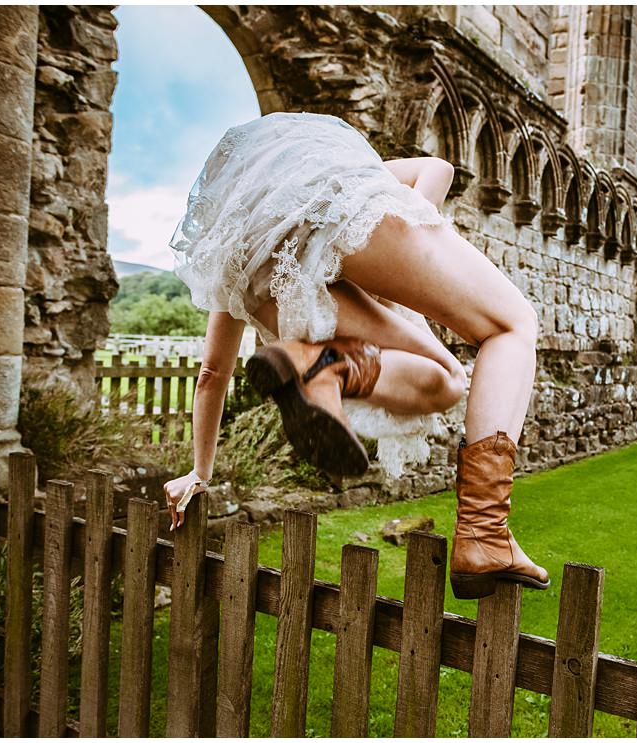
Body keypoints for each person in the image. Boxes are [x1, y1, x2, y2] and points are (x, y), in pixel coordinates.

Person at [161, 111, 548, 599]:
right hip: (359, 226)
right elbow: (439, 167)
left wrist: (200, 471)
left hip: (285, 287)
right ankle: (484, 533)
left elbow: (212, 373)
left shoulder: (241, 255)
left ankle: (325, 368)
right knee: (512, 325)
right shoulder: (342, 178)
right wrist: (408, 241)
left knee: (444, 379)